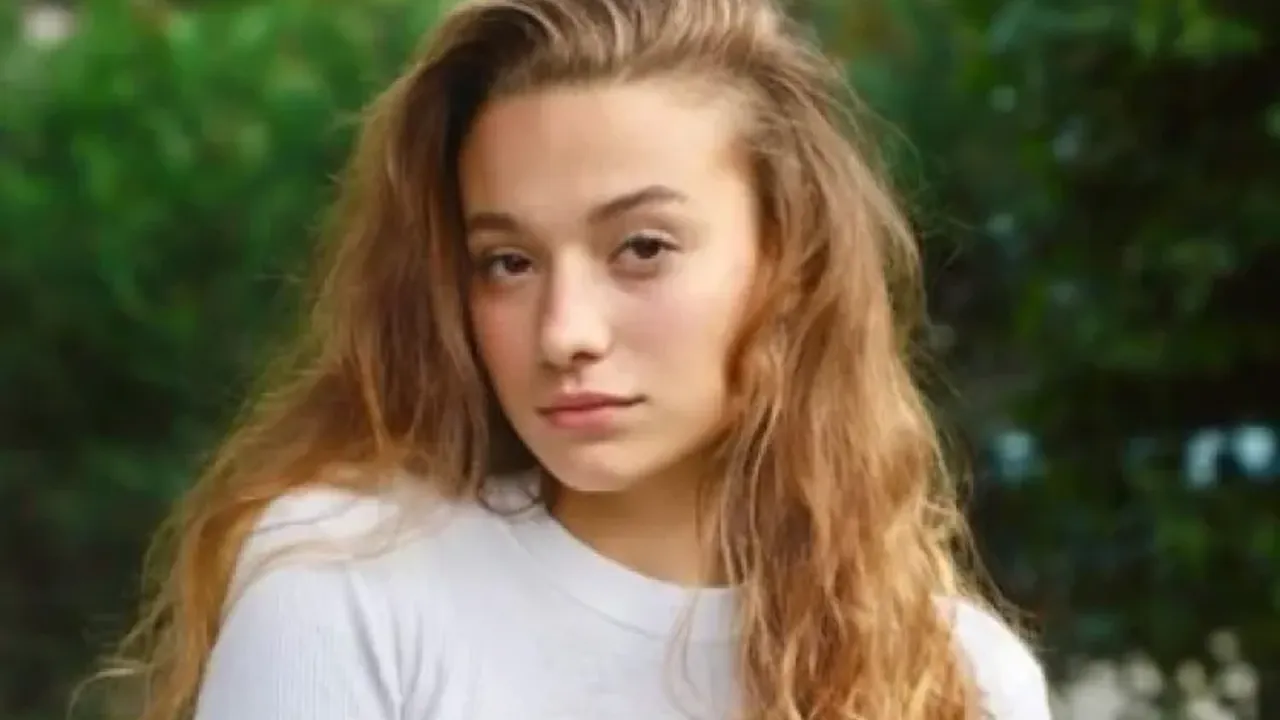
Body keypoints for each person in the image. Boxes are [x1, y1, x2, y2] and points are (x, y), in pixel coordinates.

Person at [99, 0, 1053, 718]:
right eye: (507, 262)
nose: (564, 332)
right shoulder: (350, 585)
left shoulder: (959, 678)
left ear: (792, 262)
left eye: (641, 248)